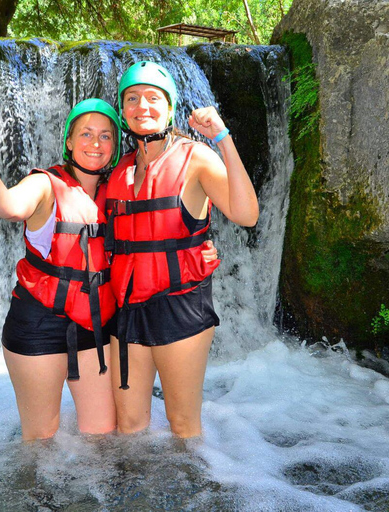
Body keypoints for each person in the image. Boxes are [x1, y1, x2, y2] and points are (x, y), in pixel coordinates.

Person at [0, 98, 218, 441]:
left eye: (105, 136)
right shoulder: (45, 185)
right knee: (41, 439)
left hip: (94, 328)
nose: (95, 143)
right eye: (85, 134)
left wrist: (197, 252)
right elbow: (10, 205)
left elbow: (160, 228)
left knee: (103, 436)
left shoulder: (120, 189)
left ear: (115, 146)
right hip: (40, 323)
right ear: (69, 141)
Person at [106, 61, 259, 439]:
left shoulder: (196, 158)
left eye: (153, 98)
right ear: (123, 110)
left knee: (183, 425)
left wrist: (223, 138)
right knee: (129, 426)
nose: (143, 105)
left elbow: (247, 214)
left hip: (181, 304)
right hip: (127, 306)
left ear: (170, 108)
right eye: (132, 98)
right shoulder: (118, 170)